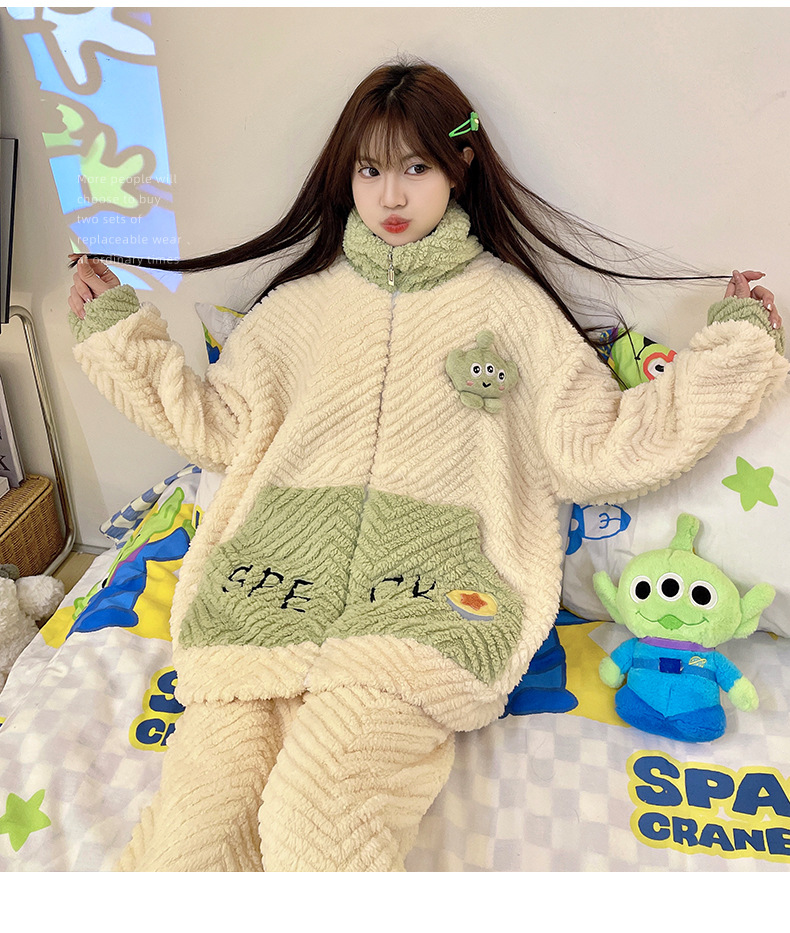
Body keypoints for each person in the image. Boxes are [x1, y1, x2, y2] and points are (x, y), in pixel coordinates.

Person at [66, 60, 787, 872]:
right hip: (261, 594)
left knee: (317, 823)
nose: (391, 196)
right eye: (370, 170)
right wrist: (117, 331)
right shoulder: (298, 310)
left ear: (459, 166)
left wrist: (736, 347)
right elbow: (217, 427)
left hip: (429, 608)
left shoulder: (512, 309)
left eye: (414, 168)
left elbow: (603, 446)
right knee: (192, 838)